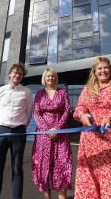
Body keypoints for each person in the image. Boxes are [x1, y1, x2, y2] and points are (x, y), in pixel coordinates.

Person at [73, 56, 111, 199]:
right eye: (100, 68)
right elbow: (80, 107)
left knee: (110, 178)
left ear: (110, 70)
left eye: (106, 67)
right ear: (95, 71)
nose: (103, 70)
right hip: (90, 139)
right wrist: (82, 115)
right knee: (88, 178)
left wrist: (110, 117)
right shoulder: (87, 88)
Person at [0, 63, 32, 199]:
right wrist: (1, 125)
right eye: (15, 72)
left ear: (22, 77)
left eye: (20, 73)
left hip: (18, 132)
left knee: (17, 169)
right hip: (1, 130)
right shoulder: (0, 91)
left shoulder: (26, 92)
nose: (17, 75)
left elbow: (29, 112)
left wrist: (21, 126)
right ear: (9, 74)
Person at [31, 68, 72, 199]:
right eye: (48, 76)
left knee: (63, 163)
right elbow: (36, 113)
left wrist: (57, 128)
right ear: (44, 78)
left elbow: (67, 111)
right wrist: (47, 129)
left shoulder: (62, 92)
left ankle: (62, 197)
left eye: (53, 76)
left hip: (61, 134)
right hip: (43, 135)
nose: (51, 78)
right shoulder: (39, 94)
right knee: (44, 165)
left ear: (56, 78)